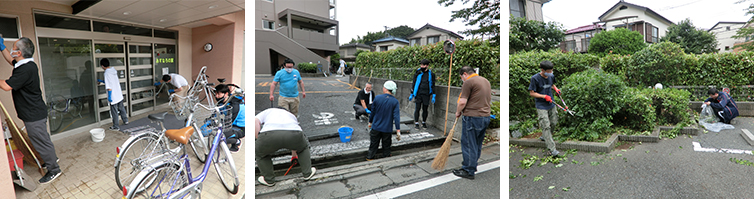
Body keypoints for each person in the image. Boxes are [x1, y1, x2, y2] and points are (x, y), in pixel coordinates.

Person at [0, 36, 62, 183]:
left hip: (33, 115)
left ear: (19, 53)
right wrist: (2, 48)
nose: (12, 51)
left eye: (14, 48)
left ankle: (54, 169)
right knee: (43, 139)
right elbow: (11, 60)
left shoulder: (25, 70)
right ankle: (51, 158)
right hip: (35, 112)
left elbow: (6, 86)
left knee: (40, 141)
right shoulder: (25, 64)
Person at [255, 107, 316, 186]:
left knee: (261, 154)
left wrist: (259, 140)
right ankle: (307, 173)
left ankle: (269, 180)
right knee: (303, 148)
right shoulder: (291, 115)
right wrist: (294, 155)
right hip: (294, 133)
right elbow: (294, 131)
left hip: (269, 134)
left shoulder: (267, 111)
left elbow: (255, 121)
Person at [452, 66, 492, 180]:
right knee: (477, 143)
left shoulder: (469, 82)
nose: (462, 80)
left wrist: (458, 112)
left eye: (461, 77)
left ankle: (468, 170)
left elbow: (462, 102)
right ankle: (472, 164)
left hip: (472, 117)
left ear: (465, 74)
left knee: (468, 143)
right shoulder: (485, 80)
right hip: (485, 116)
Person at [528, 61, 561, 157]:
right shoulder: (535, 79)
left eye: (551, 70)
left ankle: (545, 136)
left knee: (554, 122)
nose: (550, 73)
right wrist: (543, 96)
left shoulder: (551, 76)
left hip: (551, 103)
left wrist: (556, 89)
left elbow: (552, 85)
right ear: (542, 70)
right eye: (548, 71)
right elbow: (532, 93)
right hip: (541, 105)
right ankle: (552, 149)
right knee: (546, 125)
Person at [367, 81, 401, 160]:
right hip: (387, 129)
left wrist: (370, 122)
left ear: (385, 88)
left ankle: (369, 158)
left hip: (376, 127)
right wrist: (398, 130)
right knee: (386, 147)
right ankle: (386, 159)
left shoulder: (377, 98)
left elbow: (373, 112)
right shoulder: (395, 102)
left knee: (373, 145)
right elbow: (396, 117)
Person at [99, 58, 128, 130]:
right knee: (121, 108)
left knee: (114, 111)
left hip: (113, 95)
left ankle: (116, 126)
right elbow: (111, 81)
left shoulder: (106, 73)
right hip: (118, 93)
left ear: (102, 66)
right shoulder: (113, 70)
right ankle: (125, 120)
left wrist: (109, 96)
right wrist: (102, 81)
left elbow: (109, 87)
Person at [215, 84, 245, 153]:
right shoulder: (223, 102)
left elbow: (229, 122)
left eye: (218, 94)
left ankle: (237, 142)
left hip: (241, 128)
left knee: (220, 135)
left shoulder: (235, 105)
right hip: (233, 124)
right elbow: (216, 114)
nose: (216, 96)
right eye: (216, 94)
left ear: (225, 94)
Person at [409, 59, 436, 130]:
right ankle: (416, 123)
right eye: (421, 65)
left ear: (427, 66)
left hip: (426, 94)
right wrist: (411, 93)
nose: (422, 66)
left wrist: (433, 95)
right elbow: (414, 83)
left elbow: (433, 84)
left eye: (423, 65)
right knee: (417, 108)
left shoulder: (431, 74)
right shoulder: (418, 73)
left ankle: (424, 122)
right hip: (418, 94)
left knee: (425, 109)